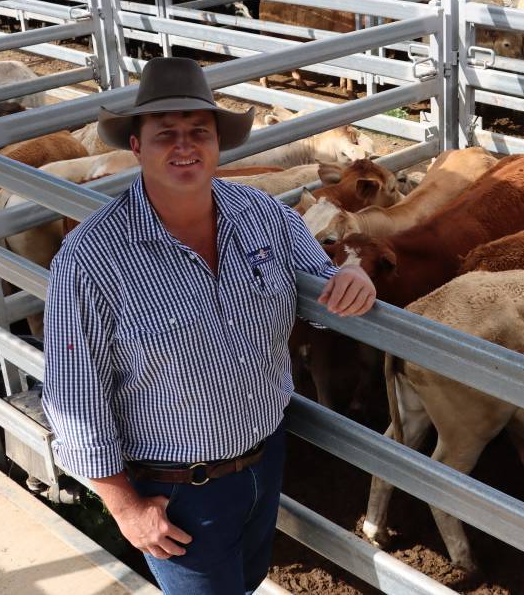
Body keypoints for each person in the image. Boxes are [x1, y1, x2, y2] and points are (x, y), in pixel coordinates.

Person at [41, 57, 375, 594]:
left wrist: (356, 273)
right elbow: (74, 394)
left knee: (248, 580)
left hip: (265, 460)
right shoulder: (90, 259)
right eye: (165, 134)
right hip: (177, 490)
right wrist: (125, 506)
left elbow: (325, 282)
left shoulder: (265, 216)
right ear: (136, 146)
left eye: (199, 131)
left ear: (219, 142)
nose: (184, 146)